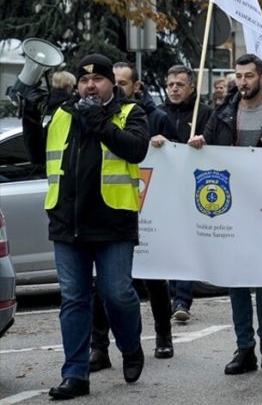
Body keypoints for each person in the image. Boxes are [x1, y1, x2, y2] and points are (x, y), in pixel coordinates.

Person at [22, 53, 150, 399]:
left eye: (97, 80)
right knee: (74, 300)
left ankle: (130, 347)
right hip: (68, 222)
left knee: (117, 294)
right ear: (77, 85)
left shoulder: (130, 113)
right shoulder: (64, 115)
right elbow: (37, 155)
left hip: (112, 222)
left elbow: (136, 150)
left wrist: (100, 123)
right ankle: (75, 374)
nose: (90, 85)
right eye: (83, 80)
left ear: (111, 83)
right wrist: (30, 116)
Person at [188, 54, 262, 375]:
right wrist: (198, 143)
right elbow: (207, 149)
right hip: (231, 207)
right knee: (236, 278)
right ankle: (245, 348)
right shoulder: (223, 112)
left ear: (261, 76)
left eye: (249, 76)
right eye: (238, 76)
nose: (243, 82)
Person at [83, 64, 175, 371]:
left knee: (152, 274)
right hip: (116, 204)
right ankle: (99, 346)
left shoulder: (155, 116)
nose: (117, 86)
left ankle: (163, 334)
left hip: (153, 202)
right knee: (105, 285)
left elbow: (179, 157)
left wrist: (165, 144)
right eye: (116, 81)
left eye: (123, 83)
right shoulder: (94, 112)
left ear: (134, 86)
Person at [152, 65, 213, 322]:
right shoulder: (158, 114)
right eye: (170, 85)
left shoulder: (205, 113)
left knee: (185, 241)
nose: (174, 89)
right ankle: (165, 294)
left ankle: (182, 299)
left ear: (191, 87)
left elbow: (215, 143)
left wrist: (202, 142)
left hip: (192, 185)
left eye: (180, 84)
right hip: (163, 187)